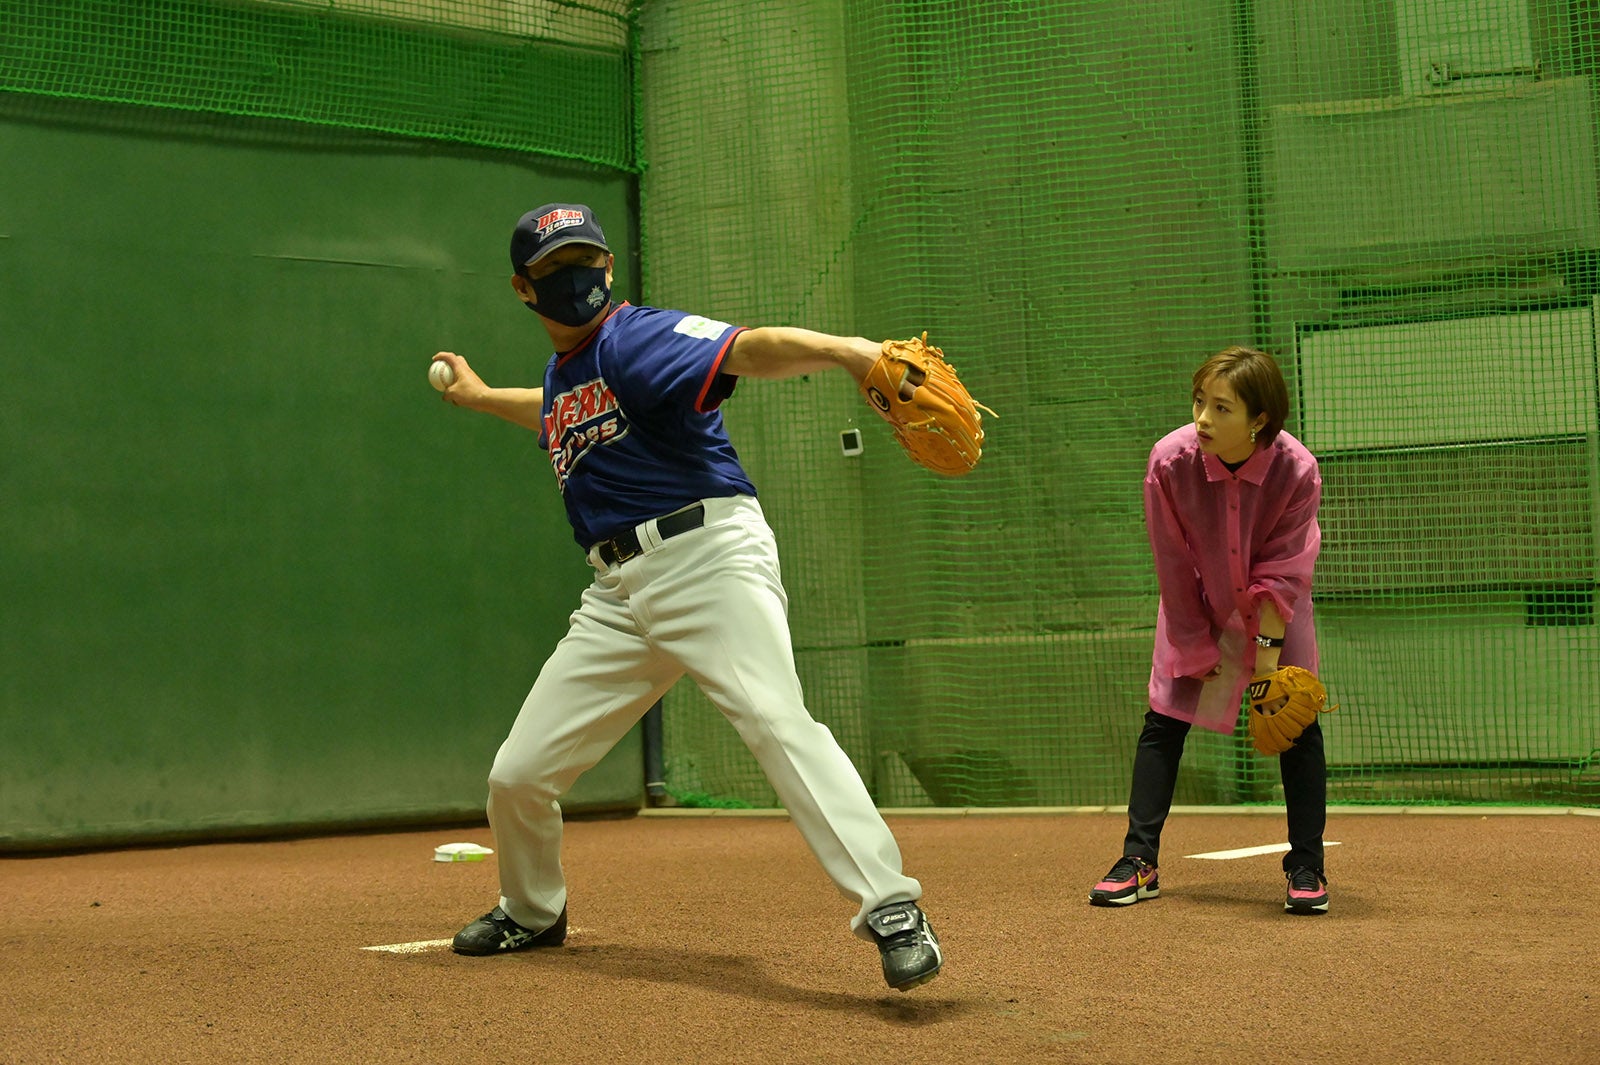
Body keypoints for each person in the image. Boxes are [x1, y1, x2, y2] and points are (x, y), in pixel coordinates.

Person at [428, 202, 943, 990]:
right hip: (617, 593)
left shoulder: (636, 337)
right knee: (517, 775)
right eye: (556, 269)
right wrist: (479, 396)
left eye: (587, 261)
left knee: (775, 718)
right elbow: (554, 410)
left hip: (707, 560)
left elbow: (747, 348)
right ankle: (532, 910)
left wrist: (849, 351)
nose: (579, 278)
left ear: (608, 267)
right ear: (523, 290)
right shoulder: (569, 377)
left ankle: (891, 905)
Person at [1089, 346, 1330, 915]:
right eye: (1200, 401)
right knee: (1164, 719)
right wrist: (1195, 645)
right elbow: (1172, 562)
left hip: (1277, 608)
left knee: (1295, 723)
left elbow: (1285, 567)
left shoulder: (1297, 470)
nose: (1202, 419)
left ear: (1259, 420)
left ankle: (1307, 866)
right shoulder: (1169, 462)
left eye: (1222, 408)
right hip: (1195, 602)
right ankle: (1138, 859)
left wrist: (1267, 665)